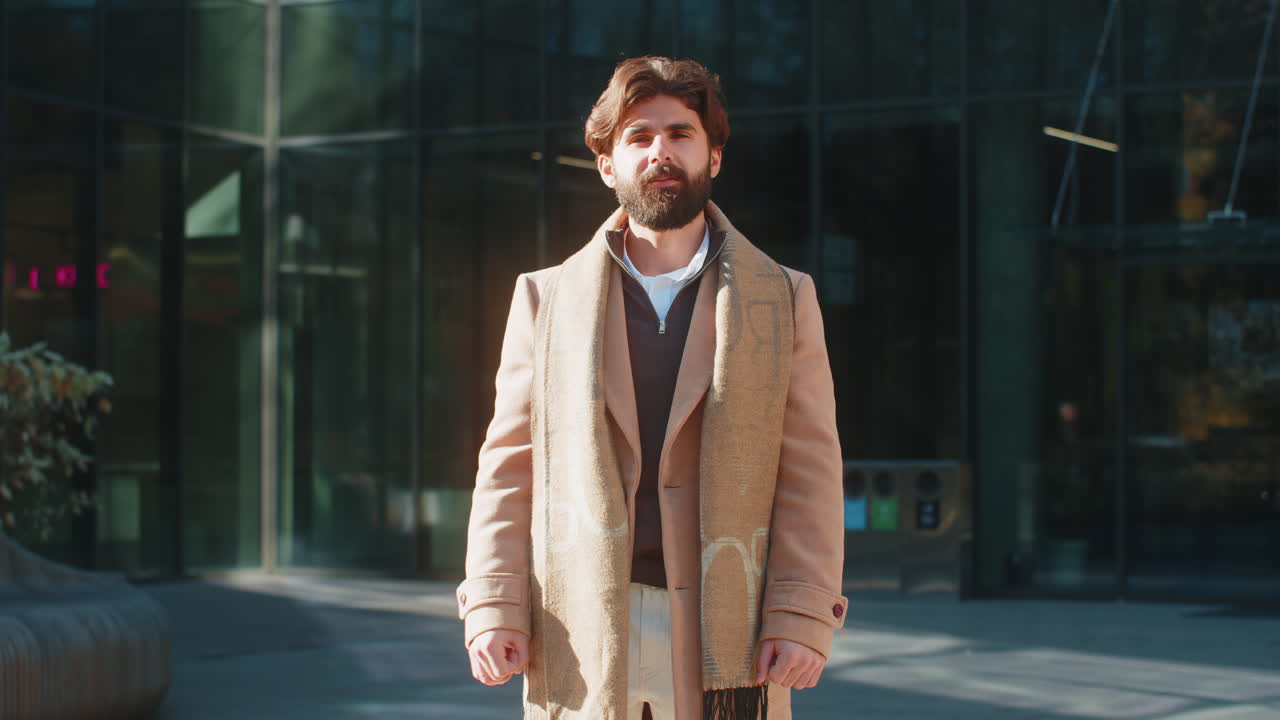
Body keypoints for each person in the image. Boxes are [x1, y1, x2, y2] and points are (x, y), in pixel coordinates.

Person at [457, 56, 847, 720]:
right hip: (580, 624)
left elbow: (809, 466)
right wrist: (494, 601)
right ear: (607, 165)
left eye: (680, 133)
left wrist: (802, 611)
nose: (659, 152)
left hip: (729, 628)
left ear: (713, 157)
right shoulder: (544, 300)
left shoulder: (782, 298)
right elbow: (510, 465)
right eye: (638, 137)